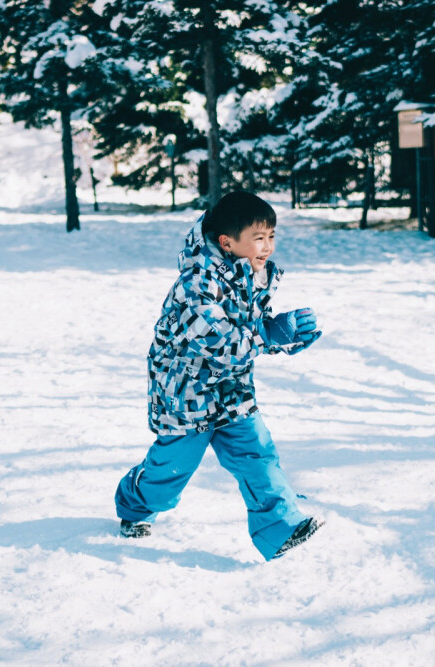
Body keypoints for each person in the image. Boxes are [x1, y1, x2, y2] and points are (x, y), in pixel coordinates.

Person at [114, 191, 323, 561]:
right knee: (170, 474)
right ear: (227, 241)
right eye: (258, 237)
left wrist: (282, 334)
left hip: (232, 392)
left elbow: (249, 330)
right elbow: (220, 342)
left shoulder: (251, 277)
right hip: (186, 396)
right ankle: (135, 503)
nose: (268, 246)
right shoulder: (196, 285)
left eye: (272, 236)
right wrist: (268, 335)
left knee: (258, 456)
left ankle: (280, 527)